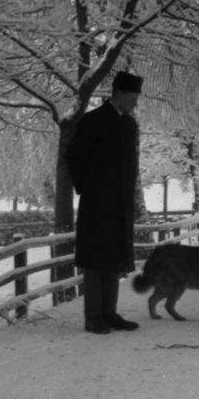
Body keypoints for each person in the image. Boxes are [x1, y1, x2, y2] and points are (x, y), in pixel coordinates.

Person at [64, 70, 145, 335]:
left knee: (114, 259)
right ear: (119, 94)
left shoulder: (129, 125)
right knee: (95, 260)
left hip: (121, 203)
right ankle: (93, 316)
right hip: (97, 203)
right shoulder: (93, 121)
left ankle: (110, 314)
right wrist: (90, 188)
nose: (135, 104)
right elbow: (74, 157)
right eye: (132, 98)